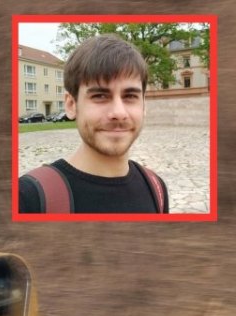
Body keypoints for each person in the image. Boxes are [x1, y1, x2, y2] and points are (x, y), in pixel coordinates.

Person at [19, 34, 169, 214]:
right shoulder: (28, 199)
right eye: (100, 96)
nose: (119, 113)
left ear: (144, 104)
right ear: (71, 105)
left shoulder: (156, 189)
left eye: (130, 96)